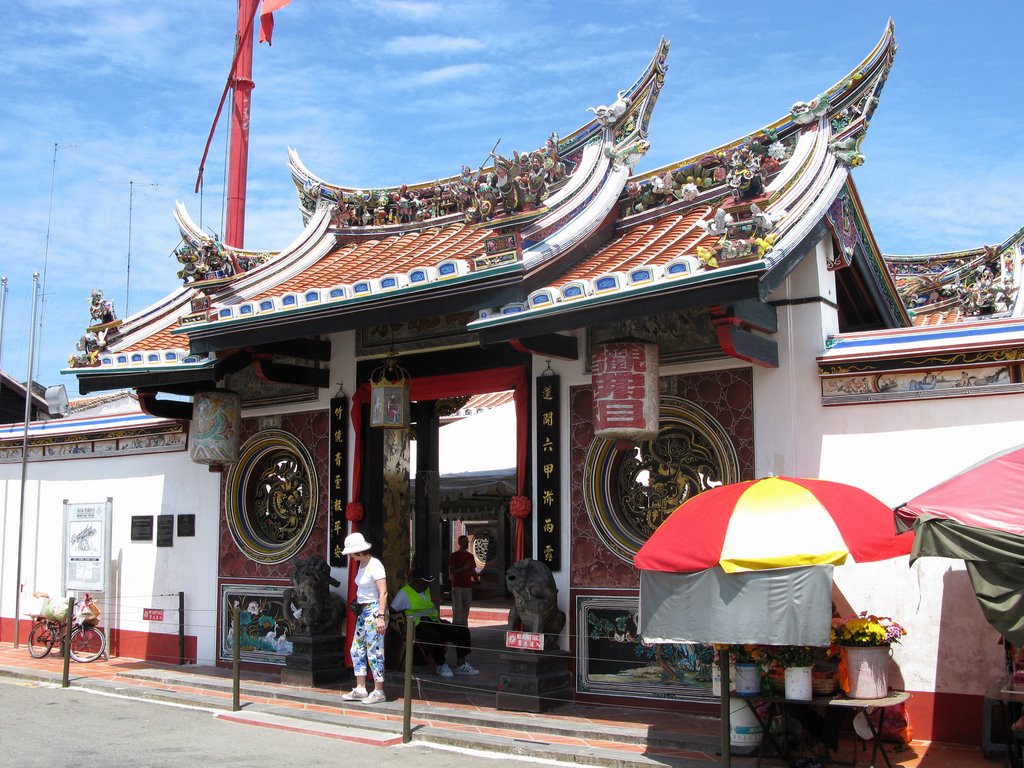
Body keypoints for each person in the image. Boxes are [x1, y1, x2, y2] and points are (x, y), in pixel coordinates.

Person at [392, 567, 479, 678]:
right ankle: (440, 665)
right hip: (418, 626)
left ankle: (461, 665)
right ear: (416, 581)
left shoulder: (426, 590)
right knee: (437, 637)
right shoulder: (404, 593)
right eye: (425, 582)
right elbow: (393, 610)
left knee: (462, 630)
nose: (427, 585)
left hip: (434, 621)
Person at [340, 532, 388, 705]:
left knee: (374, 650)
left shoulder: (375, 565)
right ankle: (360, 687)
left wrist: (381, 616)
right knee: (357, 648)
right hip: (363, 610)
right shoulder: (361, 564)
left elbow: (383, 592)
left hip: (375, 609)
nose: (350, 556)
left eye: (351, 553)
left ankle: (379, 690)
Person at [447, 535, 476, 626]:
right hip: (457, 586)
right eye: (464, 541)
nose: (466, 543)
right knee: (457, 608)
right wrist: (464, 567)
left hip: (468, 586)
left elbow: (473, 571)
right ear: (459, 543)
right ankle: (456, 627)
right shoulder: (454, 556)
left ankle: (464, 627)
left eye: (467, 541)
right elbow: (452, 571)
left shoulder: (470, 556)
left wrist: (478, 582)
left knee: (466, 608)